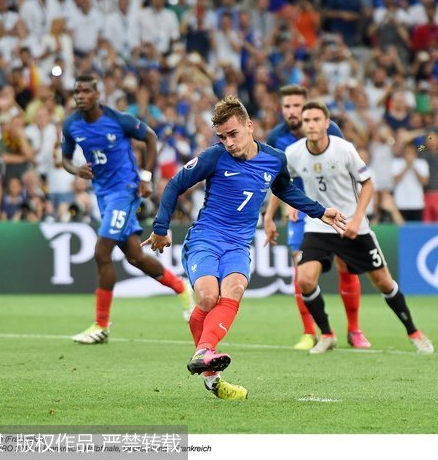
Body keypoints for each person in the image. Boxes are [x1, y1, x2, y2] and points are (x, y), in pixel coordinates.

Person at [142, 96, 347, 400]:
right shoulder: (213, 157)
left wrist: (320, 211)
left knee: (234, 288)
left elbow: (284, 188)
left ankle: (206, 359)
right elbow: (174, 184)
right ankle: (208, 362)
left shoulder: (274, 159)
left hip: (238, 243)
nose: (228, 143)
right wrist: (160, 228)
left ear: (250, 127)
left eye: (233, 134)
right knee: (209, 296)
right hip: (206, 239)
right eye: (222, 137)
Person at [284, 102, 434, 355]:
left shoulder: (343, 149)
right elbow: (281, 181)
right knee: (305, 280)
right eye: (306, 120)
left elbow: (368, 184)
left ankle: (414, 332)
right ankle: (328, 335)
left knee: (384, 282)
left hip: (353, 226)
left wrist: (356, 219)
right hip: (319, 225)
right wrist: (285, 206)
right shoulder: (294, 152)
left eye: (315, 120)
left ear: (326, 123)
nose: (310, 125)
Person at [62, 75, 195, 344]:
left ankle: (101, 326)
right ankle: (182, 287)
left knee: (102, 253)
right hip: (103, 195)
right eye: (77, 91)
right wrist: (76, 169)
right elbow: (64, 158)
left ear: (98, 93)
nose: (81, 95)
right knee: (135, 256)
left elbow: (150, 137)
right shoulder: (71, 125)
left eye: (86, 90)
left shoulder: (118, 119)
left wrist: (146, 177)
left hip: (124, 192)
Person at [264, 85, 371, 351]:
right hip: (301, 212)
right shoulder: (276, 136)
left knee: (345, 266)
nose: (292, 111)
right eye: (287, 106)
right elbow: (279, 179)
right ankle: (309, 332)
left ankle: (354, 330)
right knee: (300, 271)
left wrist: (356, 212)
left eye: (297, 106)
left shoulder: (330, 132)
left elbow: (349, 173)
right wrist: (271, 215)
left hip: (334, 209)